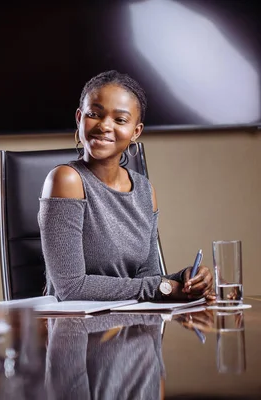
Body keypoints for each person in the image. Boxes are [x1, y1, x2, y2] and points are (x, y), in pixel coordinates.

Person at [39, 70, 215, 302]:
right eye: (94, 114)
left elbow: (147, 277)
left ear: (136, 132)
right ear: (79, 118)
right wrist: (164, 287)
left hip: (131, 324)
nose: (104, 126)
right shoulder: (66, 179)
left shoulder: (144, 190)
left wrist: (185, 280)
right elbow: (70, 288)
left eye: (120, 120)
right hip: (76, 331)